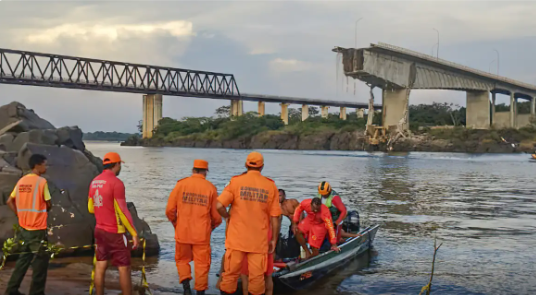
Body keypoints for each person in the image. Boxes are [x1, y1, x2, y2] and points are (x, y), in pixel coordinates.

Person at [216, 151, 282, 295]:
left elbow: (219, 206)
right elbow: (275, 217)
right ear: (262, 167)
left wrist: (227, 217)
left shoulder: (235, 182)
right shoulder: (270, 186)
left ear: (246, 165)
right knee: (257, 279)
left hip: (236, 240)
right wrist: (274, 240)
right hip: (258, 242)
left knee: (230, 276)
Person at [165, 159, 222, 295]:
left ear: (193, 170)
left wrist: (176, 224)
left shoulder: (180, 185)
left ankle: (186, 288)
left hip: (182, 232)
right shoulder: (210, 188)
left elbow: (169, 210)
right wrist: (212, 227)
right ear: (205, 172)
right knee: (202, 264)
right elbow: (217, 216)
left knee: (182, 260)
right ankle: (200, 292)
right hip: (202, 234)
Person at [88, 152, 139, 295]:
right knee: (124, 268)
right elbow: (123, 211)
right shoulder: (116, 183)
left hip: (99, 230)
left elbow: (90, 208)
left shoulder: (94, 181)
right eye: (119, 164)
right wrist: (134, 233)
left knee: (100, 265)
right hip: (115, 232)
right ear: (116, 165)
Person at [5, 154, 52, 295]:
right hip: (37, 228)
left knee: (23, 260)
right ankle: (36, 292)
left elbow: (9, 201)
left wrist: (19, 214)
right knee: (40, 262)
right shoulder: (41, 182)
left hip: (24, 227)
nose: (46, 167)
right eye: (45, 164)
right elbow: (48, 203)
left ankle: (11, 289)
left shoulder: (21, 181)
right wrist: (45, 208)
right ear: (37, 165)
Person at [240, 220, 274, 295]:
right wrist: (274, 239)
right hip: (264, 236)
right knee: (267, 275)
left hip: (247, 238)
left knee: (245, 276)